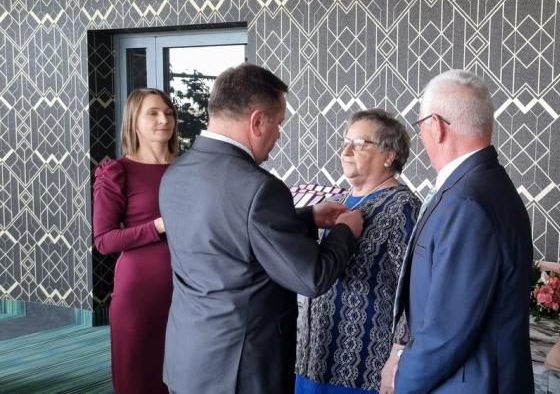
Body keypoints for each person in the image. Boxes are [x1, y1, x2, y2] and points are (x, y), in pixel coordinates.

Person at [158, 63, 364, 393]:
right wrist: (345, 231)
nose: (278, 135)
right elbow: (311, 277)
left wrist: (307, 217)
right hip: (242, 369)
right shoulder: (260, 188)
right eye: (278, 123)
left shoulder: (176, 173)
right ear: (257, 122)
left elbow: (226, 232)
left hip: (188, 357)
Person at [383, 70, 535, 393]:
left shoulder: (466, 201)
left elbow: (446, 331)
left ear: (436, 126)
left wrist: (403, 381)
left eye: (420, 125)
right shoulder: (488, 183)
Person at [295, 108, 421, 394]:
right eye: (345, 141)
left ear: (389, 154)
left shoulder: (403, 207)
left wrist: (398, 355)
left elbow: (414, 293)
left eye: (360, 143)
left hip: (363, 372)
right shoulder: (335, 202)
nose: (346, 151)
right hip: (312, 359)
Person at [92, 88, 178, 393]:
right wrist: (158, 226)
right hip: (140, 292)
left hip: (191, 290)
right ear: (133, 122)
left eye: (168, 113)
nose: (164, 119)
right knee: (140, 378)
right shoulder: (118, 171)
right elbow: (104, 240)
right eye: (153, 113)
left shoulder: (190, 168)